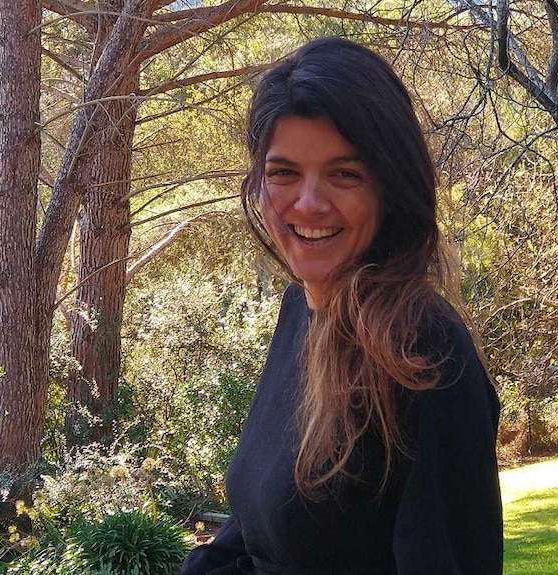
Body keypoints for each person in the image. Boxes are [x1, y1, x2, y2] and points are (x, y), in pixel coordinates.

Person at [179, 37, 503, 575]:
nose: (308, 203)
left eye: (344, 174)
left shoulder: (423, 350)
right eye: (284, 172)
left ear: (390, 187)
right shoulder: (299, 311)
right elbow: (264, 532)